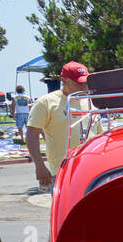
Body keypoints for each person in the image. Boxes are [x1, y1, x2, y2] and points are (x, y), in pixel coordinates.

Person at [26, 62, 92, 190]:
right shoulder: (46, 102)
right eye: (79, 83)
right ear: (64, 81)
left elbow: (100, 135)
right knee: (66, 209)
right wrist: (39, 166)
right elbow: (32, 135)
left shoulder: (90, 101)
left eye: (86, 82)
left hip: (91, 170)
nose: (84, 87)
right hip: (63, 171)